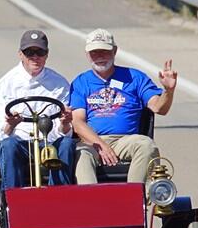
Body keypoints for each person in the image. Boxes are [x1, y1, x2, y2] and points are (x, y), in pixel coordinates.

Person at [70, 28, 177, 184]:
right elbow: (77, 122)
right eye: (94, 52)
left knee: (146, 145)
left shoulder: (134, 77)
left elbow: (159, 108)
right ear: (87, 55)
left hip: (126, 140)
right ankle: (91, 204)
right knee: (79, 154)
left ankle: (135, 199)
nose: (99, 57)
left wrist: (168, 90)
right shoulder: (81, 82)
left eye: (104, 51)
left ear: (114, 51)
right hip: (92, 142)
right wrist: (101, 145)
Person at [0, 30, 77, 189]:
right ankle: (12, 202)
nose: (35, 57)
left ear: (47, 54)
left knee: (66, 144)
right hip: (19, 142)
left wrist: (65, 123)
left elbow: (63, 130)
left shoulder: (59, 84)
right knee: (8, 145)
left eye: (40, 52)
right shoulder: (4, 85)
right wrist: (11, 125)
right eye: (30, 52)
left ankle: (59, 198)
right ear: (20, 54)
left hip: (49, 141)